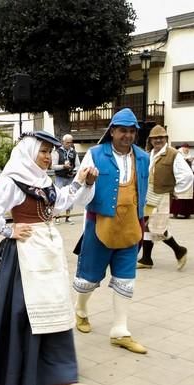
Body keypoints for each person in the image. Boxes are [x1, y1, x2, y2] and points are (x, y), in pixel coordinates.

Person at [0, 131, 97, 385]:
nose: (49, 158)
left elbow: (60, 202)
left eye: (50, 152)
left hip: (48, 250)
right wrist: (8, 230)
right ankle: (17, 372)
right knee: (23, 311)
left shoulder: (43, 181)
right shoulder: (13, 182)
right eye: (43, 152)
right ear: (29, 152)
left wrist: (81, 182)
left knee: (55, 305)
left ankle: (61, 373)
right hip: (24, 255)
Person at [73, 108, 149, 354]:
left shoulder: (143, 158)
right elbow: (78, 192)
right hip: (99, 225)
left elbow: (145, 188)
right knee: (89, 277)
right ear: (112, 131)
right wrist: (88, 182)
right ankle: (81, 309)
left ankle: (120, 330)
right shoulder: (94, 154)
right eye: (122, 131)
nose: (126, 136)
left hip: (131, 226)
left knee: (126, 278)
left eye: (131, 131)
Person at [136, 125, 193, 270]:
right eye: (155, 138)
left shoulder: (173, 154)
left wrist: (175, 190)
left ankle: (179, 250)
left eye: (161, 137)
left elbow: (187, 175)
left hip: (162, 195)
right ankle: (146, 259)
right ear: (151, 140)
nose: (158, 140)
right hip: (150, 194)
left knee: (158, 228)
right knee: (147, 225)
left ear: (166, 138)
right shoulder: (150, 154)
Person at [51, 134, 81, 224]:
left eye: (70, 142)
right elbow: (53, 166)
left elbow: (78, 166)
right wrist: (63, 166)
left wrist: (74, 170)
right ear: (63, 142)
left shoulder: (74, 152)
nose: (69, 144)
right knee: (59, 196)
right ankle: (57, 217)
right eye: (67, 142)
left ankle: (68, 217)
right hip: (60, 177)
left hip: (70, 178)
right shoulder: (57, 152)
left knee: (70, 196)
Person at [169, 144, 194, 218]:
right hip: (180, 177)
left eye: (188, 148)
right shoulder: (177, 156)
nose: (186, 150)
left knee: (187, 197)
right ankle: (176, 212)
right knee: (178, 197)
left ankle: (187, 213)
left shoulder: (190, 157)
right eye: (185, 148)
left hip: (188, 178)